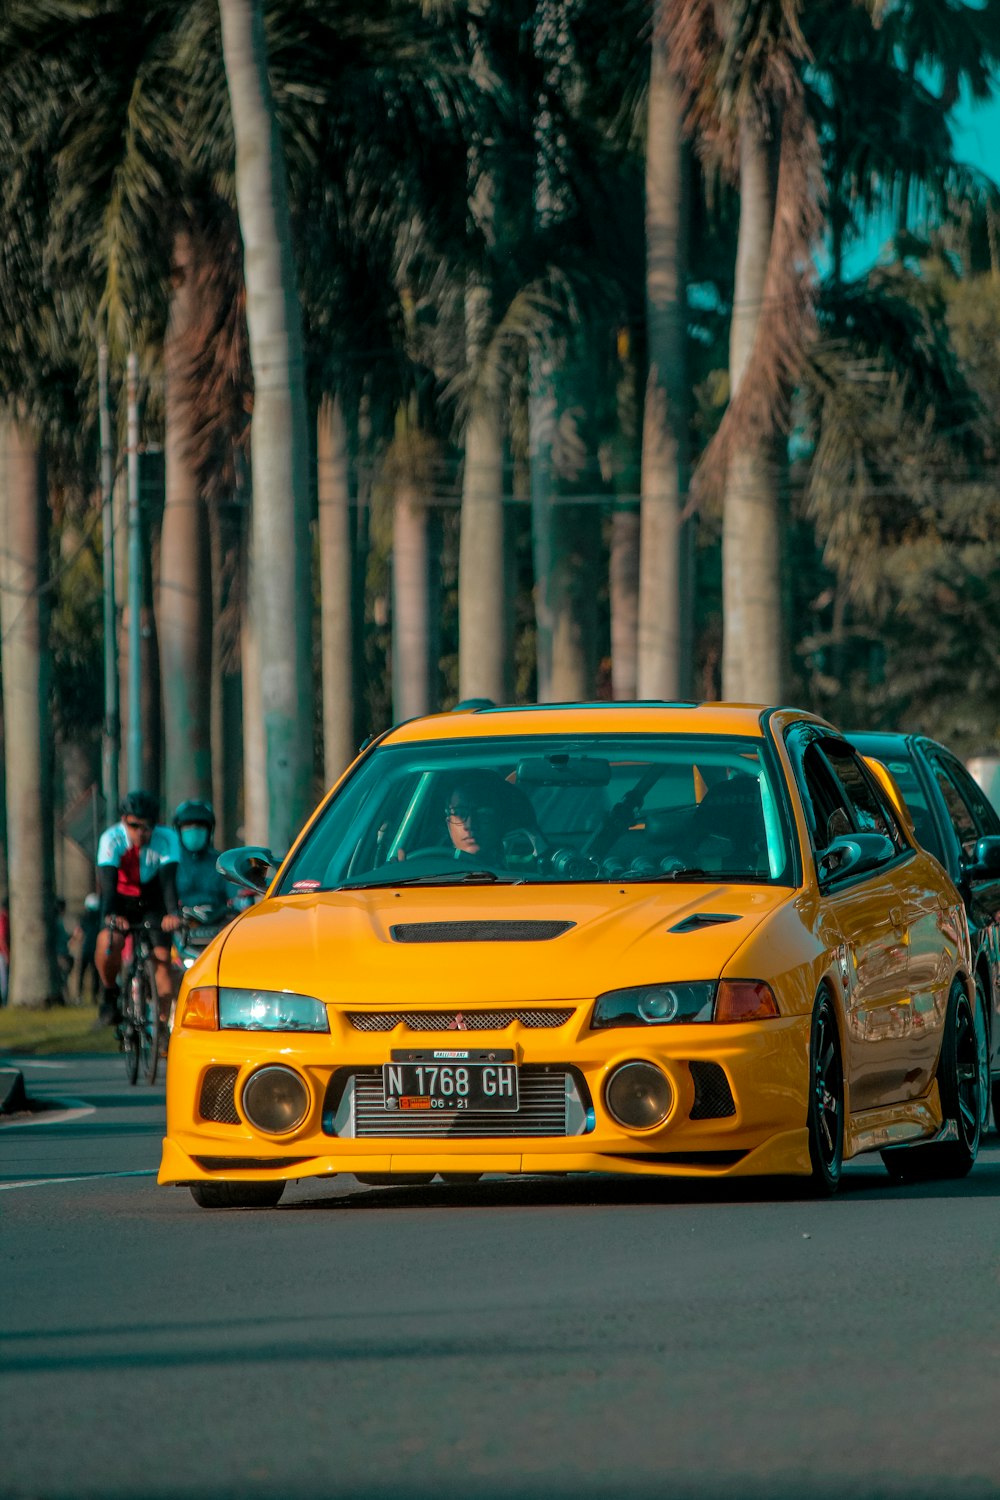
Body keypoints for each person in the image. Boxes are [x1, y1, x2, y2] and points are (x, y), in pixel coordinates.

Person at [95, 790, 182, 1027]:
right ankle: (110, 991)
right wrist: (112, 916)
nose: (140, 833)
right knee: (109, 941)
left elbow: (168, 883)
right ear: (124, 821)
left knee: (162, 960)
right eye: (134, 826)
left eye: (147, 827)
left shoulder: (167, 838)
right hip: (121, 898)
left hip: (153, 899)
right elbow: (108, 887)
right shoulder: (111, 839)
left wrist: (173, 914)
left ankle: (162, 1028)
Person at [172, 799, 231, 914]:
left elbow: (236, 897)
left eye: (200, 825)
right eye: (188, 825)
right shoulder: (170, 863)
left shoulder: (222, 863)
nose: (194, 830)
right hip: (179, 927)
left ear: (210, 830)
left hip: (218, 926)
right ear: (178, 830)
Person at [71, 893, 102, 1006]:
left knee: (81, 973)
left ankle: (79, 996)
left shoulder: (85, 917)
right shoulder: (100, 917)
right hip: (97, 949)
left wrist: (72, 941)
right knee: (95, 974)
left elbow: (78, 932)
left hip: (86, 948)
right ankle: (95, 996)